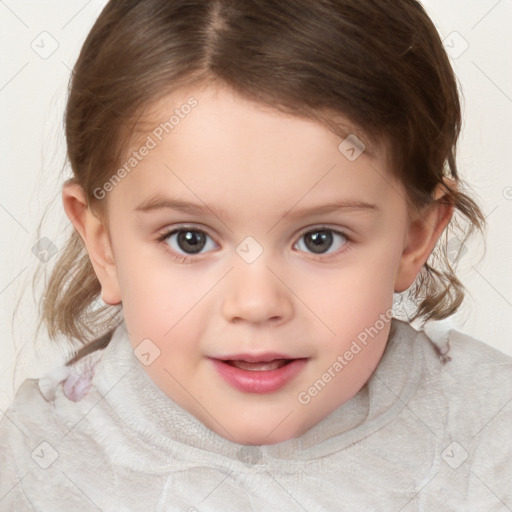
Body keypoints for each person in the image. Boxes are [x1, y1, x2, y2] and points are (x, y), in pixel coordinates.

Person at [1, 0, 511, 510]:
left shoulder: (490, 438)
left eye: (320, 239)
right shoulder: (30, 466)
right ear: (103, 244)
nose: (256, 303)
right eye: (190, 239)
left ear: (414, 238)